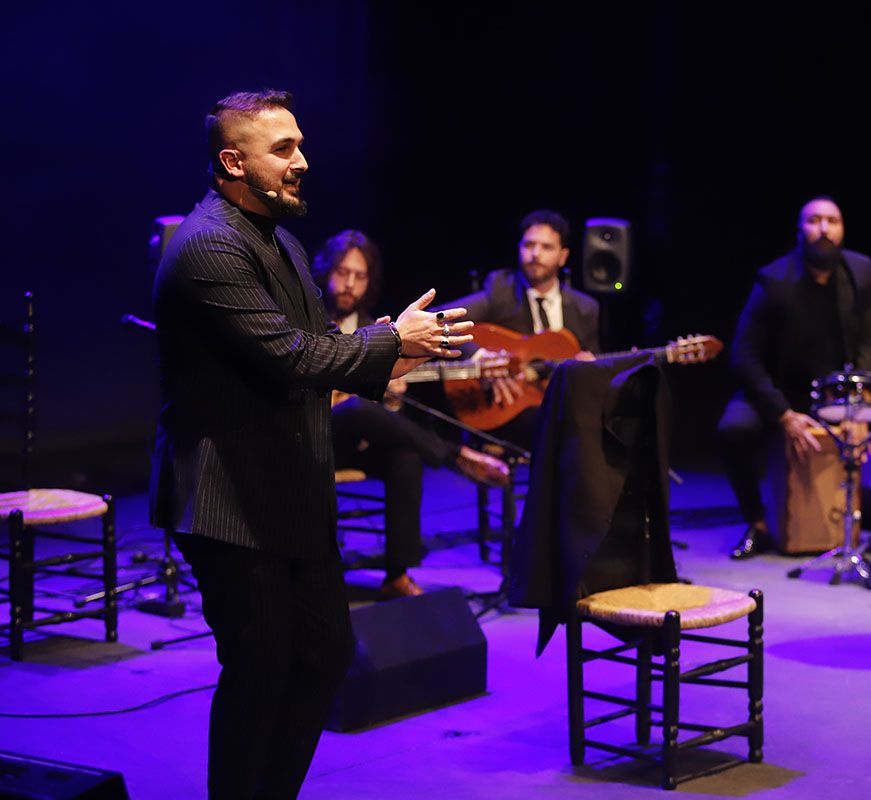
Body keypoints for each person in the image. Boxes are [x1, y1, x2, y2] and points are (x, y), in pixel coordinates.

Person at [150, 89, 473, 798]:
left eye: (300, 145)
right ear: (233, 161)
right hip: (229, 499)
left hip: (290, 492)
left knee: (324, 653)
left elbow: (322, 347)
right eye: (284, 149)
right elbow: (293, 358)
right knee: (260, 668)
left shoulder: (284, 241)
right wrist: (385, 343)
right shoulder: (206, 247)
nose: (304, 162)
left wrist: (392, 352)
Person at [312, 229, 510, 599]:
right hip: (311, 435)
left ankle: (397, 575)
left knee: (404, 456)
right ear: (326, 271)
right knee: (354, 408)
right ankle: (456, 455)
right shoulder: (311, 315)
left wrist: (389, 396)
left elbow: (381, 416)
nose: (349, 284)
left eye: (359, 276)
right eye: (343, 272)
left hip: (353, 438)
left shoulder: (378, 326)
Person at [717, 197, 871, 559]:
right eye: (814, 221)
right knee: (733, 428)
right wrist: (782, 414)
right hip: (781, 394)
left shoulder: (860, 273)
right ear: (800, 230)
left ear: (843, 230)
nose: (824, 229)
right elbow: (743, 355)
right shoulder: (774, 279)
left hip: (837, 395)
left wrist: (858, 406)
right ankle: (757, 523)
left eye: (832, 221)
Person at [446, 209, 600, 447]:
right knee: (561, 422)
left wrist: (590, 367)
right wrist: (481, 357)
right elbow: (442, 320)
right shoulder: (500, 290)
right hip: (513, 406)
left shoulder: (586, 309)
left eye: (546, 247)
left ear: (563, 256)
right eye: (529, 245)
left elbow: (591, 365)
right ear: (519, 248)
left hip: (569, 403)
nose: (535, 254)